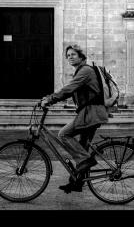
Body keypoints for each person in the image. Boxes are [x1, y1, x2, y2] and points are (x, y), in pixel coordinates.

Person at [40, 44, 109, 194]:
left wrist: (50, 99)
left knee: (64, 134)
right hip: (91, 113)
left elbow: (69, 89)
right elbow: (72, 91)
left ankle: (86, 160)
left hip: (91, 114)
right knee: (82, 147)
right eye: (68, 55)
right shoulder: (82, 71)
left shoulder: (85, 71)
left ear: (81, 56)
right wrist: (51, 98)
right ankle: (76, 182)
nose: (70, 57)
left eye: (73, 55)